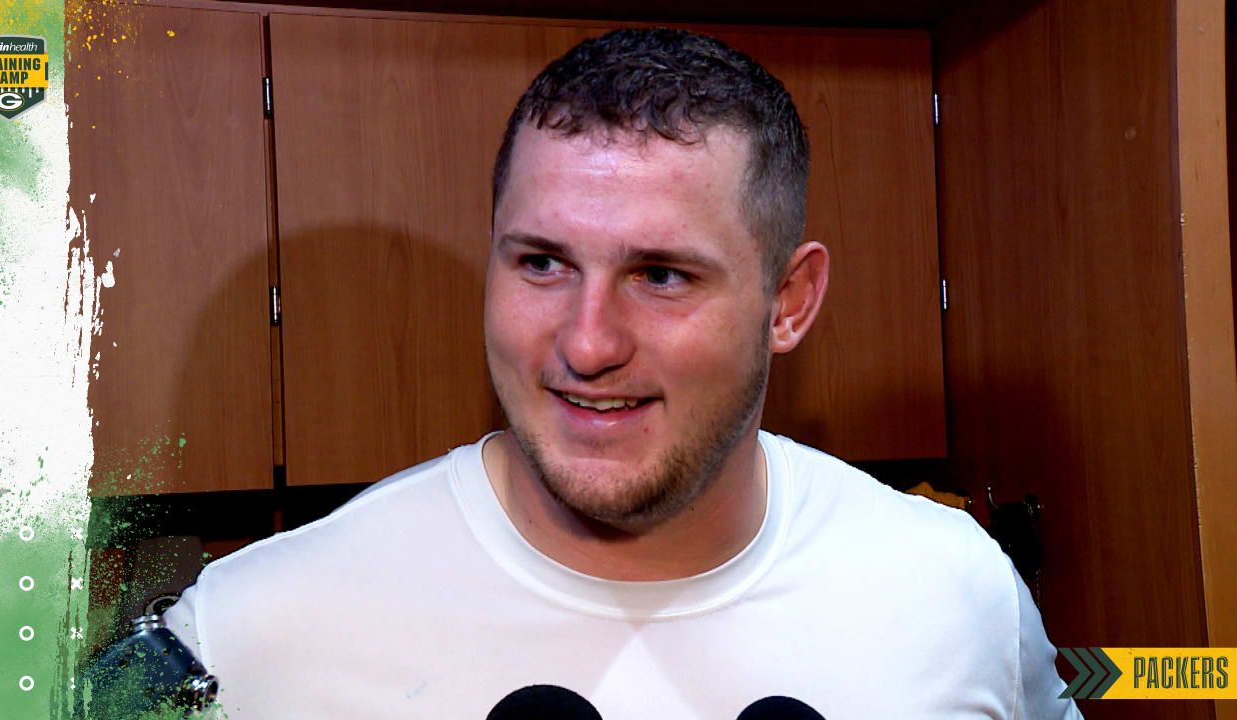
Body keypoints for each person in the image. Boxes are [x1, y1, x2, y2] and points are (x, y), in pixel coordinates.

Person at [163, 28, 1081, 719]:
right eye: (542, 264)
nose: (588, 343)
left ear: (790, 301)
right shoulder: (248, 631)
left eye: (662, 275)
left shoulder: (956, 590)